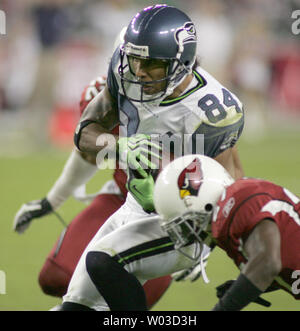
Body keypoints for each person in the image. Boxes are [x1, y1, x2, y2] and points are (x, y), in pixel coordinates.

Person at [59, 4, 245, 311]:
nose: (140, 71)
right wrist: (116, 145)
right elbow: (85, 134)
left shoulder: (212, 111)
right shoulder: (124, 72)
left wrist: (230, 254)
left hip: (183, 223)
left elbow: (233, 191)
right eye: (134, 59)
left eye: (152, 64)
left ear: (181, 62)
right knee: (75, 307)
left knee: (104, 261)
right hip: (135, 208)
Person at [13, 76, 172, 309]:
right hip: (122, 195)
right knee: (55, 277)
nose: (139, 70)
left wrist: (201, 235)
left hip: (169, 214)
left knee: (117, 302)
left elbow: (220, 168)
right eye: (132, 59)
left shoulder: (192, 101)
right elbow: (89, 152)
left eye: (147, 62)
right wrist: (52, 200)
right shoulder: (107, 92)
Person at [153, 154, 300, 311]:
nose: (186, 234)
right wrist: (244, 286)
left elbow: (267, 264)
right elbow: (286, 256)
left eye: (185, 224)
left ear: (202, 202)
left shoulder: (237, 201)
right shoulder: (236, 203)